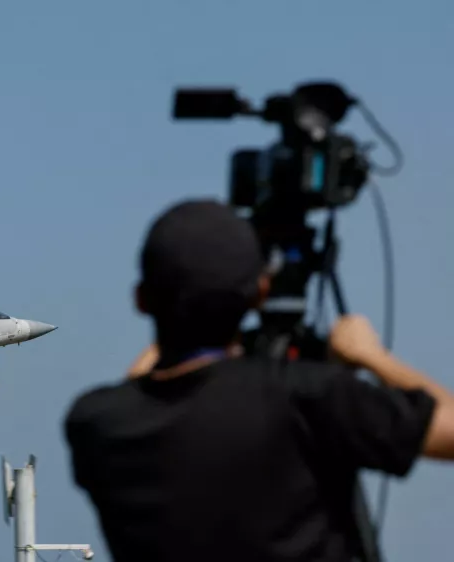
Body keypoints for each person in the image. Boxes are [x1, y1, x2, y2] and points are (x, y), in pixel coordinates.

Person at [63, 199, 454, 562]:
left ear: (141, 299)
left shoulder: (97, 425)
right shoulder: (306, 397)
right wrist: (372, 357)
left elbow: (142, 389)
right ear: (260, 292)